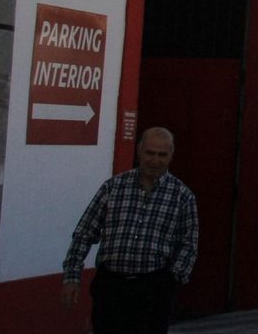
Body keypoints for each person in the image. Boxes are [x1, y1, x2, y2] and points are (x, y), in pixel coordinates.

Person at [61, 127, 199, 334]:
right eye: (150, 153)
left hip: (153, 288)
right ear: (139, 150)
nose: (155, 160)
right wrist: (72, 277)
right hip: (111, 286)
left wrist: (171, 282)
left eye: (162, 155)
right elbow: (84, 233)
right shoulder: (113, 187)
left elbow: (189, 244)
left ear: (171, 155)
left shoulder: (182, 196)